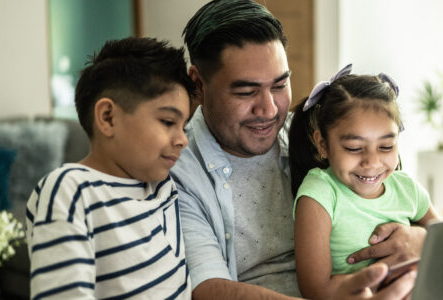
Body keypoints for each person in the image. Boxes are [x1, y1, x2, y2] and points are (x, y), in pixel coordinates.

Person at [171, 1, 427, 299]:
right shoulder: (178, 171)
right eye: (246, 92)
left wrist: (419, 238)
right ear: (198, 84)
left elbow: (396, 200)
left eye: (279, 85)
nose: (268, 109)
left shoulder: (314, 136)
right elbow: (208, 288)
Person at [25, 37, 195, 299]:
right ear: (108, 117)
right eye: (167, 121)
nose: (182, 138)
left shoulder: (162, 184)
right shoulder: (71, 191)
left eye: (183, 125)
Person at [289, 65, 439, 299]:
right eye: (354, 148)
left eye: (386, 147)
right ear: (322, 144)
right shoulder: (319, 193)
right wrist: (373, 282)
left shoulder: (407, 187)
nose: (371, 162)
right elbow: (314, 289)